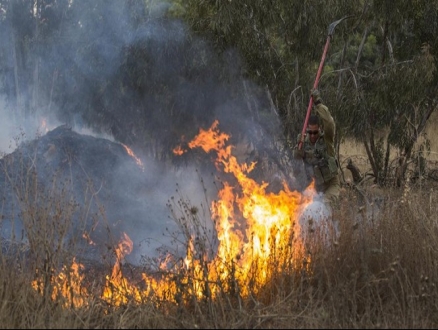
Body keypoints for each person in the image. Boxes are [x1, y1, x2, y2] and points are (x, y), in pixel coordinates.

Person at [293, 89, 340, 212]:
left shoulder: (326, 139)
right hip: (315, 187)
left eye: (315, 132)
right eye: (310, 132)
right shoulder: (303, 142)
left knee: (323, 207)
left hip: (331, 184)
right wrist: (297, 153)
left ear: (319, 129)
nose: (313, 135)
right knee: (302, 209)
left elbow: (329, 122)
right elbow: (296, 167)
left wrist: (318, 103)